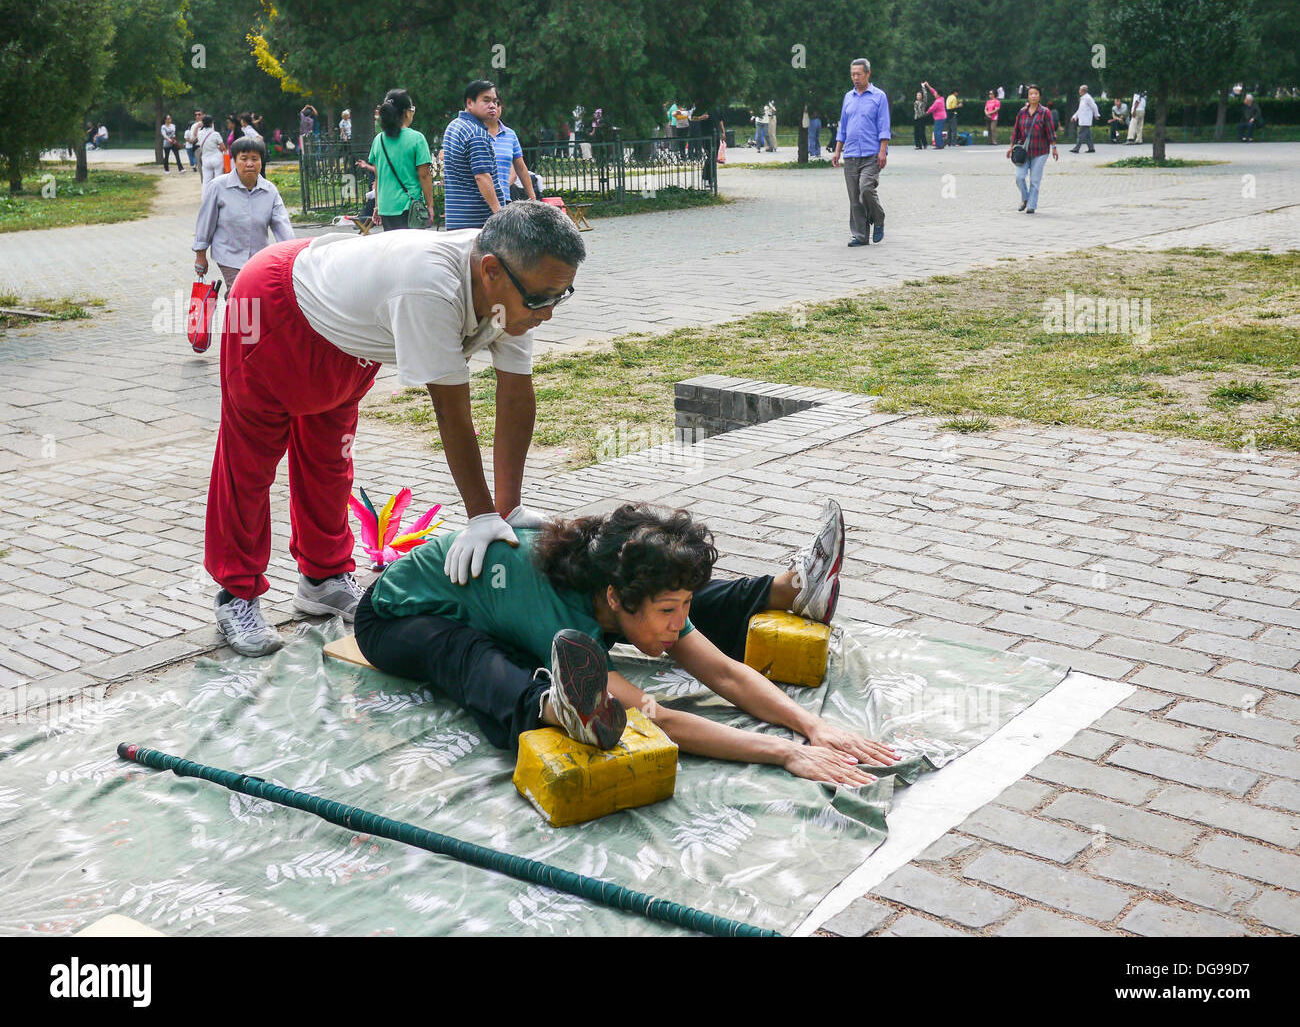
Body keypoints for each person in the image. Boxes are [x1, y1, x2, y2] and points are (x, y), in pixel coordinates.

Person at [204, 201, 585, 657]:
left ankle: (322, 579)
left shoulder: (514, 290)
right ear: (491, 272)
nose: (548, 313)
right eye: (542, 299)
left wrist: (508, 508)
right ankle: (236, 594)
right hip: (274, 309)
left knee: (330, 460)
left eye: (561, 296)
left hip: (345, 334)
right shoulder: (430, 290)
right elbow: (451, 413)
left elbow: (516, 395)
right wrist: (480, 517)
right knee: (249, 463)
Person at [354, 500, 901, 784]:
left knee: (671, 609)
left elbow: (726, 674)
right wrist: (784, 753)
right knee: (475, 657)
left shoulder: (623, 583)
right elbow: (653, 714)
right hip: (395, 618)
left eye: (683, 608)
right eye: (670, 611)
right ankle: (553, 705)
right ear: (613, 597)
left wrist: (813, 725)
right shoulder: (556, 616)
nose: (679, 623)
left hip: (518, 608)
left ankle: (787, 589)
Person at [191, 135, 294, 296]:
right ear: (235, 161)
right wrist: (200, 254)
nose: (249, 164)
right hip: (228, 254)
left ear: (261, 161)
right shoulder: (218, 187)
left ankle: (238, 317)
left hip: (258, 259)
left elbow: (282, 224)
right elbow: (206, 222)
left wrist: (292, 254)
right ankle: (238, 312)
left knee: (257, 297)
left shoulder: (270, 191)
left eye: (255, 159)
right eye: (244, 158)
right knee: (241, 294)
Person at [831, 57, 890, 248]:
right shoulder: (849, 97)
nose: (855, 78)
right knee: (854, 197)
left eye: (859, 74)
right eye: (852, 74)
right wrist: (837, 151)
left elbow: (884, 126)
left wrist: (883, 151)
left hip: (872, 154)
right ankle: (861, 235)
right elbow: (843, 126)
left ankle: (878, 218)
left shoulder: (879, 96)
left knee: (866, 189)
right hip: (851, 154)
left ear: (868, 74)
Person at [366, 88, 435, 231]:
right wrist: (430, 206)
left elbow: (379, 177)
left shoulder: (378, 140)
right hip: (408, 208)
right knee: (412, 251)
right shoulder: (417, 138)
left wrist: (377, 206)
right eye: (412, 109)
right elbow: (424, 175)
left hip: (386, 207)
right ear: (406, 112)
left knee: (393, 251)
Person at [442, 80, 507, 229]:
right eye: (486, 100)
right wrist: (499, 215)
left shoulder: (454, 126)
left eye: (495, 102)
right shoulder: (476, 134)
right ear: (470, 103)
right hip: (478, 223)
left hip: (456, 220)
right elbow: (482, 176)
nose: (493, 106)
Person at [1007, 83, 1058, 214]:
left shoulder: (1045, 112)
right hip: (1024, 152)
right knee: (1019, 176)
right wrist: (1011, 146)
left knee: (1035, 180)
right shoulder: (1022, 112)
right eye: (1031, 94)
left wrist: (1054, 147)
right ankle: (1025, 198)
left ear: (1039, 96)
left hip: (1040, 151)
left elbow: (1050, 131)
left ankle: (1031, 205)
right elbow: (1016, 130)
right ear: (1028, 96)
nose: (1033, 96)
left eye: (1036, 93)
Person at [483, 95, 536, 203]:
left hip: (504, 199)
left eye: (497, 103)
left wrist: (533, 199)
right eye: (488, 103)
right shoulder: (474, 133)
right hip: (479, 200)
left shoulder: (510, 134)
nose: (494, 107)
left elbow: (521, 168)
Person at [195, 114, 227, 187]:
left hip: (205, 160)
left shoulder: (199, 134)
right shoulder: (215, 134)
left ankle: (206, 197)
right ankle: (218, 197)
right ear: (211, 123)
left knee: (206, 182)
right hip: (217, 159)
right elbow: (223, 147)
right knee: (218, 180)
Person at [1069, 85, 1100, 153]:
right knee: (1087, 136)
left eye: (1080, 90)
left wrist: (1096, 114)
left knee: (1080, 135)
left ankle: (1076, 148)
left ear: (1083, 91)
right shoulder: (1082, 98)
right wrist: (1074, 116)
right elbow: (1080, 110)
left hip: (1086, 120)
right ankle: (1091, 148)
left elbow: (1094, 106)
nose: (1079, 91)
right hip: (1083, 119)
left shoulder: (1088, 98)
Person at [924, 82, 946, 148]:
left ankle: (939, 145)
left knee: (937, 131)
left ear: (938, 95)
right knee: (939, 131)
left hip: (939, 118)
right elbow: (933, 91)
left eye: (936, 93)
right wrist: (928, 86)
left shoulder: (938, 101)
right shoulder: (941, 98)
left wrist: (926, 113)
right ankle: (941, 144)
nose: (934, 93)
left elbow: (932, 108)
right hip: (943, 117)